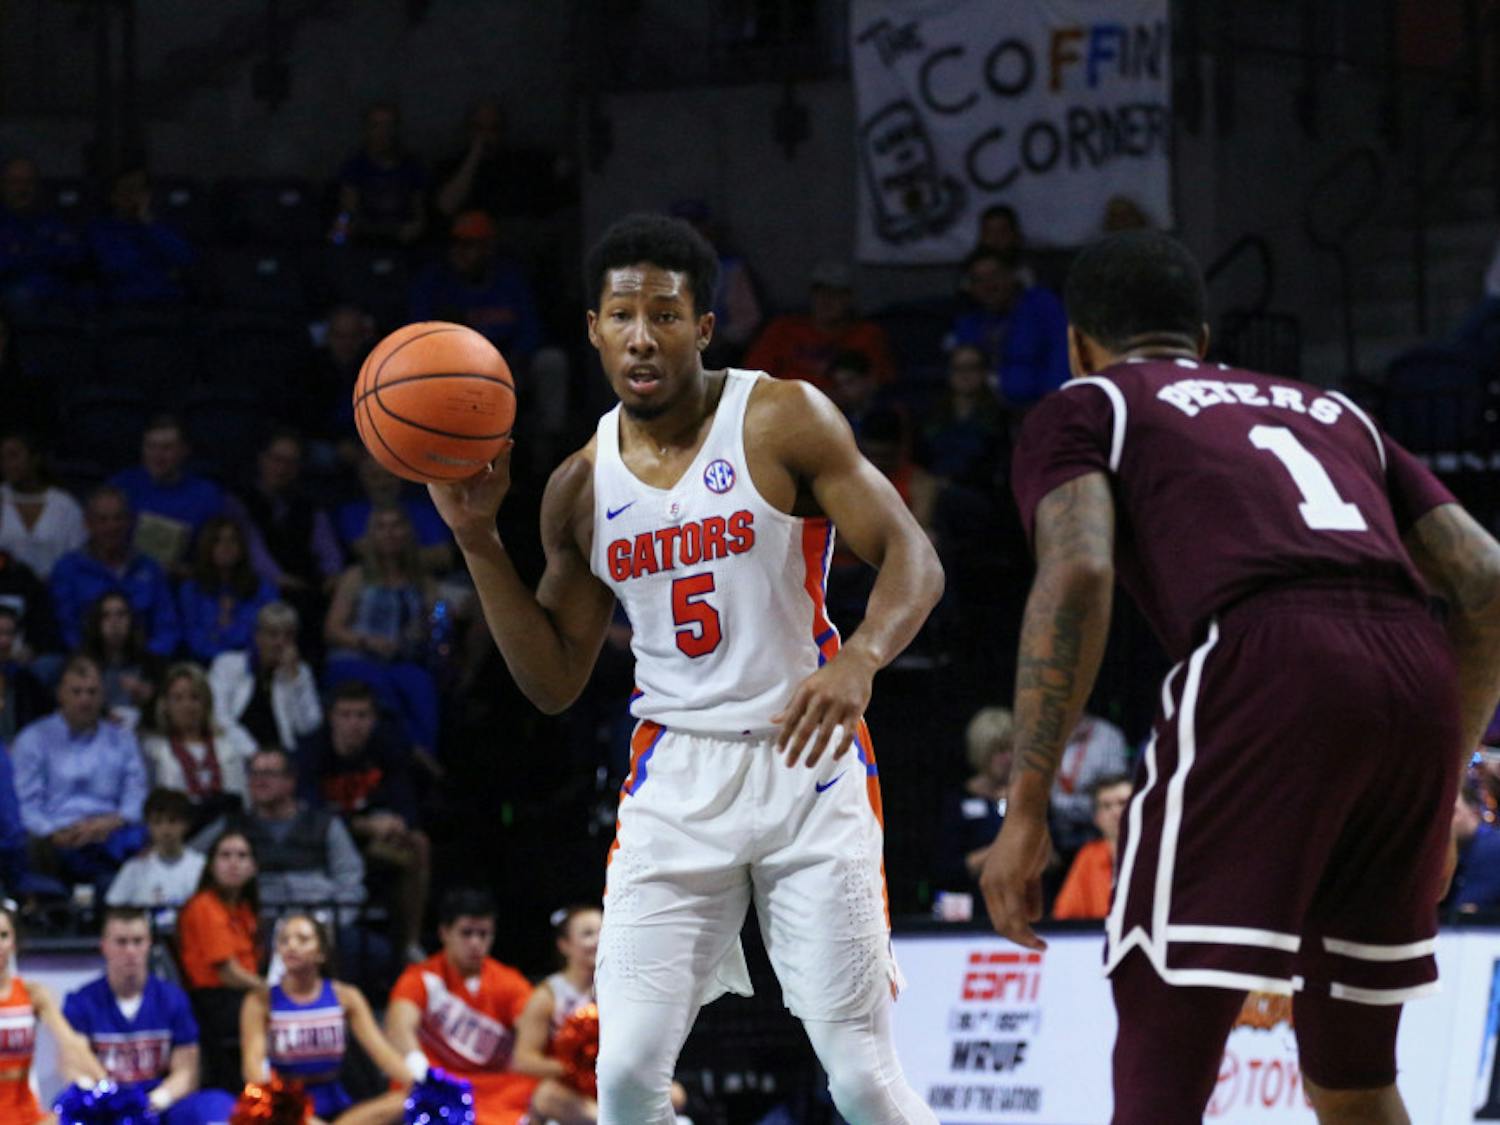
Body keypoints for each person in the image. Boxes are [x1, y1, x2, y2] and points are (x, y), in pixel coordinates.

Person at [427, 213, 943, 1123]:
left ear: (703, 326)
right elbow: (552, 681)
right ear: (592, 327)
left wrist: (861, 657)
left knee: (861, 1075)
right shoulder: (581, 487)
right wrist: (476, 541)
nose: (641, 335)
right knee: (624, 1081)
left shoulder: (782, 415)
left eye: (664, 314)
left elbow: (914, 557)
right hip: (675, 774)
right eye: (622, 314)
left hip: (807, 761)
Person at [981, 229, 1500, 1124]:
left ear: (1077, 344)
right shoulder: (1332, 410)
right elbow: (1488, 579)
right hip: (1414, 670)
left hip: (1269, 658)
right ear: (1204, 338)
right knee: (1353, 1072)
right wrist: (1443, 783)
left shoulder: (1087, 403)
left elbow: (1079, 570)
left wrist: (1025, 808)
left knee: (1161, 1056)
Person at [63, 907, 238, 1124]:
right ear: (104, 947)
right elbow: (75, 1069)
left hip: (160, 1104)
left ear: (149, 944)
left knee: (218, 1105)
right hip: (105, 1107)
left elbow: (187, 1072)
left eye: (137, 941)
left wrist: (150, 1103)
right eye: (121, 942)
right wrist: (113, 1105)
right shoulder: (81, 1002)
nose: (130, 950)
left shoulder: (173, 998)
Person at [299, 679, 428, 962]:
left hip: (375, 845)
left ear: (373, 719)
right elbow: (309, 812)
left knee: (417, 843)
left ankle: (410, 944)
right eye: (345, 715)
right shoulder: (312, 750)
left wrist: (398, 823)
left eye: (361, 715)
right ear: (331, 717)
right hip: (325, 845)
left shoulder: (389, 746)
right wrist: (362, 825)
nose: (353, 724)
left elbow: (406, 802)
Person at [240, 913, 411, 1124]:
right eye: (284, 940)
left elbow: (384, 1054)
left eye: (302, 940)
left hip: (337, 1105)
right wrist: (300, 1116)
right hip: (283, 1107)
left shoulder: (346, 996)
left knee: (409, 1100)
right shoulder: (259, 1001)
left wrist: (424, 1085)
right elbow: (253, 1070)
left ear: (321, 953)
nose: (291, 946)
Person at [386, 888, 537, 1125]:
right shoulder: (420, 978)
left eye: (484, 934)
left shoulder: (509, 982)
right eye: (466, 933)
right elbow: (399, 1028)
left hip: (494, 1088)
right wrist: (421, 1070)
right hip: (437, 1084)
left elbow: (533, 1028)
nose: (476, 943)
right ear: (444, 932)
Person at [12, 654, 147, 890]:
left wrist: (112, 821)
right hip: (56, 840)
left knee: (143, 836)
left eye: (92, 692)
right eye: (76, 692)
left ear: (103, 695)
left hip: (110, 835)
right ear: (60, 694)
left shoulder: (123, 740)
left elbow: (136, 795)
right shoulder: (33, 739)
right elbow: (26, 804)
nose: (85, 700)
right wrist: (54, 833)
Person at [191, 747, 366, 921]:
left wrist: (334, 922)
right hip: (251, 925)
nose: (259, 781)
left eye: (268, 774)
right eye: (254, 773)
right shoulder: (230, 825)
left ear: (290, 781)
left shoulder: (325, 824)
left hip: (318, 921)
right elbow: (190, 861)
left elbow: (349, 877)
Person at [324, 504, 439, 754]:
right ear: (371, 534)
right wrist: (367, 642)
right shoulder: (355, 577)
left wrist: (433, 621)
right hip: (356, 657)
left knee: (422, 686)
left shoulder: (422, 580)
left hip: (401, 660)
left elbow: (437, 617)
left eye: (396, 525)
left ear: (408, 532)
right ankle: (411, 756)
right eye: (382, 527)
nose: (390, 533)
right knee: (381, 689)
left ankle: (429, 756)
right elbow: (332, 629)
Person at [0, 902, 104, 1124]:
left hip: (26, 1115)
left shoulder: (33, 994)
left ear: (14, 943)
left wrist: (103, 1086)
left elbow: (72, 1044)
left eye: (3, 935)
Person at [178, 830, 265, 1091]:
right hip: (215, 1001)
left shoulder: (245, 908)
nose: (234, 863)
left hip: (241, 995)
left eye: (242, 856)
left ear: (253, 867)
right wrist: (270, 989)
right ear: (212, 865)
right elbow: (228, 973)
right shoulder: (204, 905)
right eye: (225, 855)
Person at [51, 485, 181, 656]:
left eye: (118, 518)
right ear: (88, 524)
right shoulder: (68, 568)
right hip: (86, 660)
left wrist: (148, 659)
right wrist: (90, 659)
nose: (112, 527)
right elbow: (66, 626)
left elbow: (167, 626)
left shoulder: (149, 567)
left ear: (129, 522)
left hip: (144, 660)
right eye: (103, 520)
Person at [743, 260, 897, 392]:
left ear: (849, 299)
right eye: (820, 292)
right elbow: (753, 379)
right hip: (785, 410)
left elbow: (879, 384)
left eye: (836, 294)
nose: (826, 300)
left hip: (839, 414)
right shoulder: (784, 328)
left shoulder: (867, 334)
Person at [948, 247, 1068, 409]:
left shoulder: (1041, 306)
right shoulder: (969, 322)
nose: (988, 285)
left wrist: (1054, 406)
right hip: (990, 417)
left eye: (994, 275)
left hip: (1042, 409)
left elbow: (1062, 358)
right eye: (978, 280)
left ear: (1011, 276)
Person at [139, 664, 258, 826]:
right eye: (178, 698)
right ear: (165, 705)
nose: (187, 706)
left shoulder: (229, 749)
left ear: (206, 703)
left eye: (194, 697)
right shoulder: (153, 751)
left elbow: (243, 802)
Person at [110, 415, 226, 574]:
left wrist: (183, 571)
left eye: (167, 448)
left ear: (184, 451)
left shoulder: (207, 495)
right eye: (151, 446)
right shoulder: (120, 486)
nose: (157, 455)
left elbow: (219, 557)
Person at [207, 600, 324, 753]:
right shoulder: (227, 664)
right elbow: (218, 716)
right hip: (234, 752)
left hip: (281, 758)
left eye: (288, 636)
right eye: (273, 634)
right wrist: (253, 752)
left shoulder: (300, 673)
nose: (280, 642)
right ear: (257, 636)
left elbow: (306, 726)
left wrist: (294, 679)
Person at [86, 166, 196, 307]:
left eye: (140, 190)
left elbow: (184, 258)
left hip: (169, 301)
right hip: (124, 302)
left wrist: (149, 224)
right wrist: (162, 272)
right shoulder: (100, 228)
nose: (134, 196)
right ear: (113, 196)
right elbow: (117, 266)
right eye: (127, 189)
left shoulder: (162, 225)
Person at [177, 516, 277, 663]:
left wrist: (221, 634)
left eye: (232, 540)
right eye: (218, 541)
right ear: (207, 547)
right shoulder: (191, 590)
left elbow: (267, 635)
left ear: (242, 547)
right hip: (203, 666)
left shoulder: (263, 589)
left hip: (251, 666)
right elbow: (194, 640)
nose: (226, 546)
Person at [934, 706, 1011, 894]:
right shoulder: (958, 802)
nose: (1008, 758)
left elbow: (1052, 858)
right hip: (973, 905)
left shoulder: (1027, 798)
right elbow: (946, 868)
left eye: (1012, 749)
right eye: (1000, 751)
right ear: (982, 752)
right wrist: (1005, 850)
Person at [0, 155, 85, 319]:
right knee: (20, 295)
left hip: (54, 287)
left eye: (28, 181)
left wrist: (26, 251)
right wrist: (44, 249)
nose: (22, 188)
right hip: (13, 292)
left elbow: (75, 254)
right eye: (14, 181)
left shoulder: (53, 219)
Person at [333, 103, 427, 247]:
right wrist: (343, 230)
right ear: (366, 130)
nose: (383, 132)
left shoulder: (412, 167)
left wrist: (415, 228)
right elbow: (348, 212)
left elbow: (418, 213)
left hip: (404, 243)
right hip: (365, 242)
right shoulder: (354, 167)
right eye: (376, 126)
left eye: (388, 125)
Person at [0, 430, 86, 580]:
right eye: (2, 458)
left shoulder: (65, 505)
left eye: (13, 456)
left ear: (35, 458)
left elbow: (78, 558)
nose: (7, 464)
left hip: (56, 594)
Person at [105, 787, 206, 910]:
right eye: (157, 822)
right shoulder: (134, 868)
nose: (165, 829)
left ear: (186, 824)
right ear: (148, 826)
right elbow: (114, 909)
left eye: (172, 821)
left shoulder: (202, 865)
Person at [79, 590, 165, 729]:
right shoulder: (82, 664)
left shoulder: (151, 663)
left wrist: (150, 698)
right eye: (106, 616)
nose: (114, 622)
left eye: (121, 615)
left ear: (131, 621)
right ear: (96, 622)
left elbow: (165, 711)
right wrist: (102, 714)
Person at [1051, 774, 1131, 920]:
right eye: (1106, 806)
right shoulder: (1088, 856)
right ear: (1097, 818)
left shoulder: (1161, 852)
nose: (1116, 812)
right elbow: (1065, 917)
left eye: (1123, 803)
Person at [1449, 784, 1500, 913]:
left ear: (1475, 812)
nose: (1446, 821)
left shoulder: (1493, 847)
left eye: (1453, 812)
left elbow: (1468, 908)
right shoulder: (1447, 852)